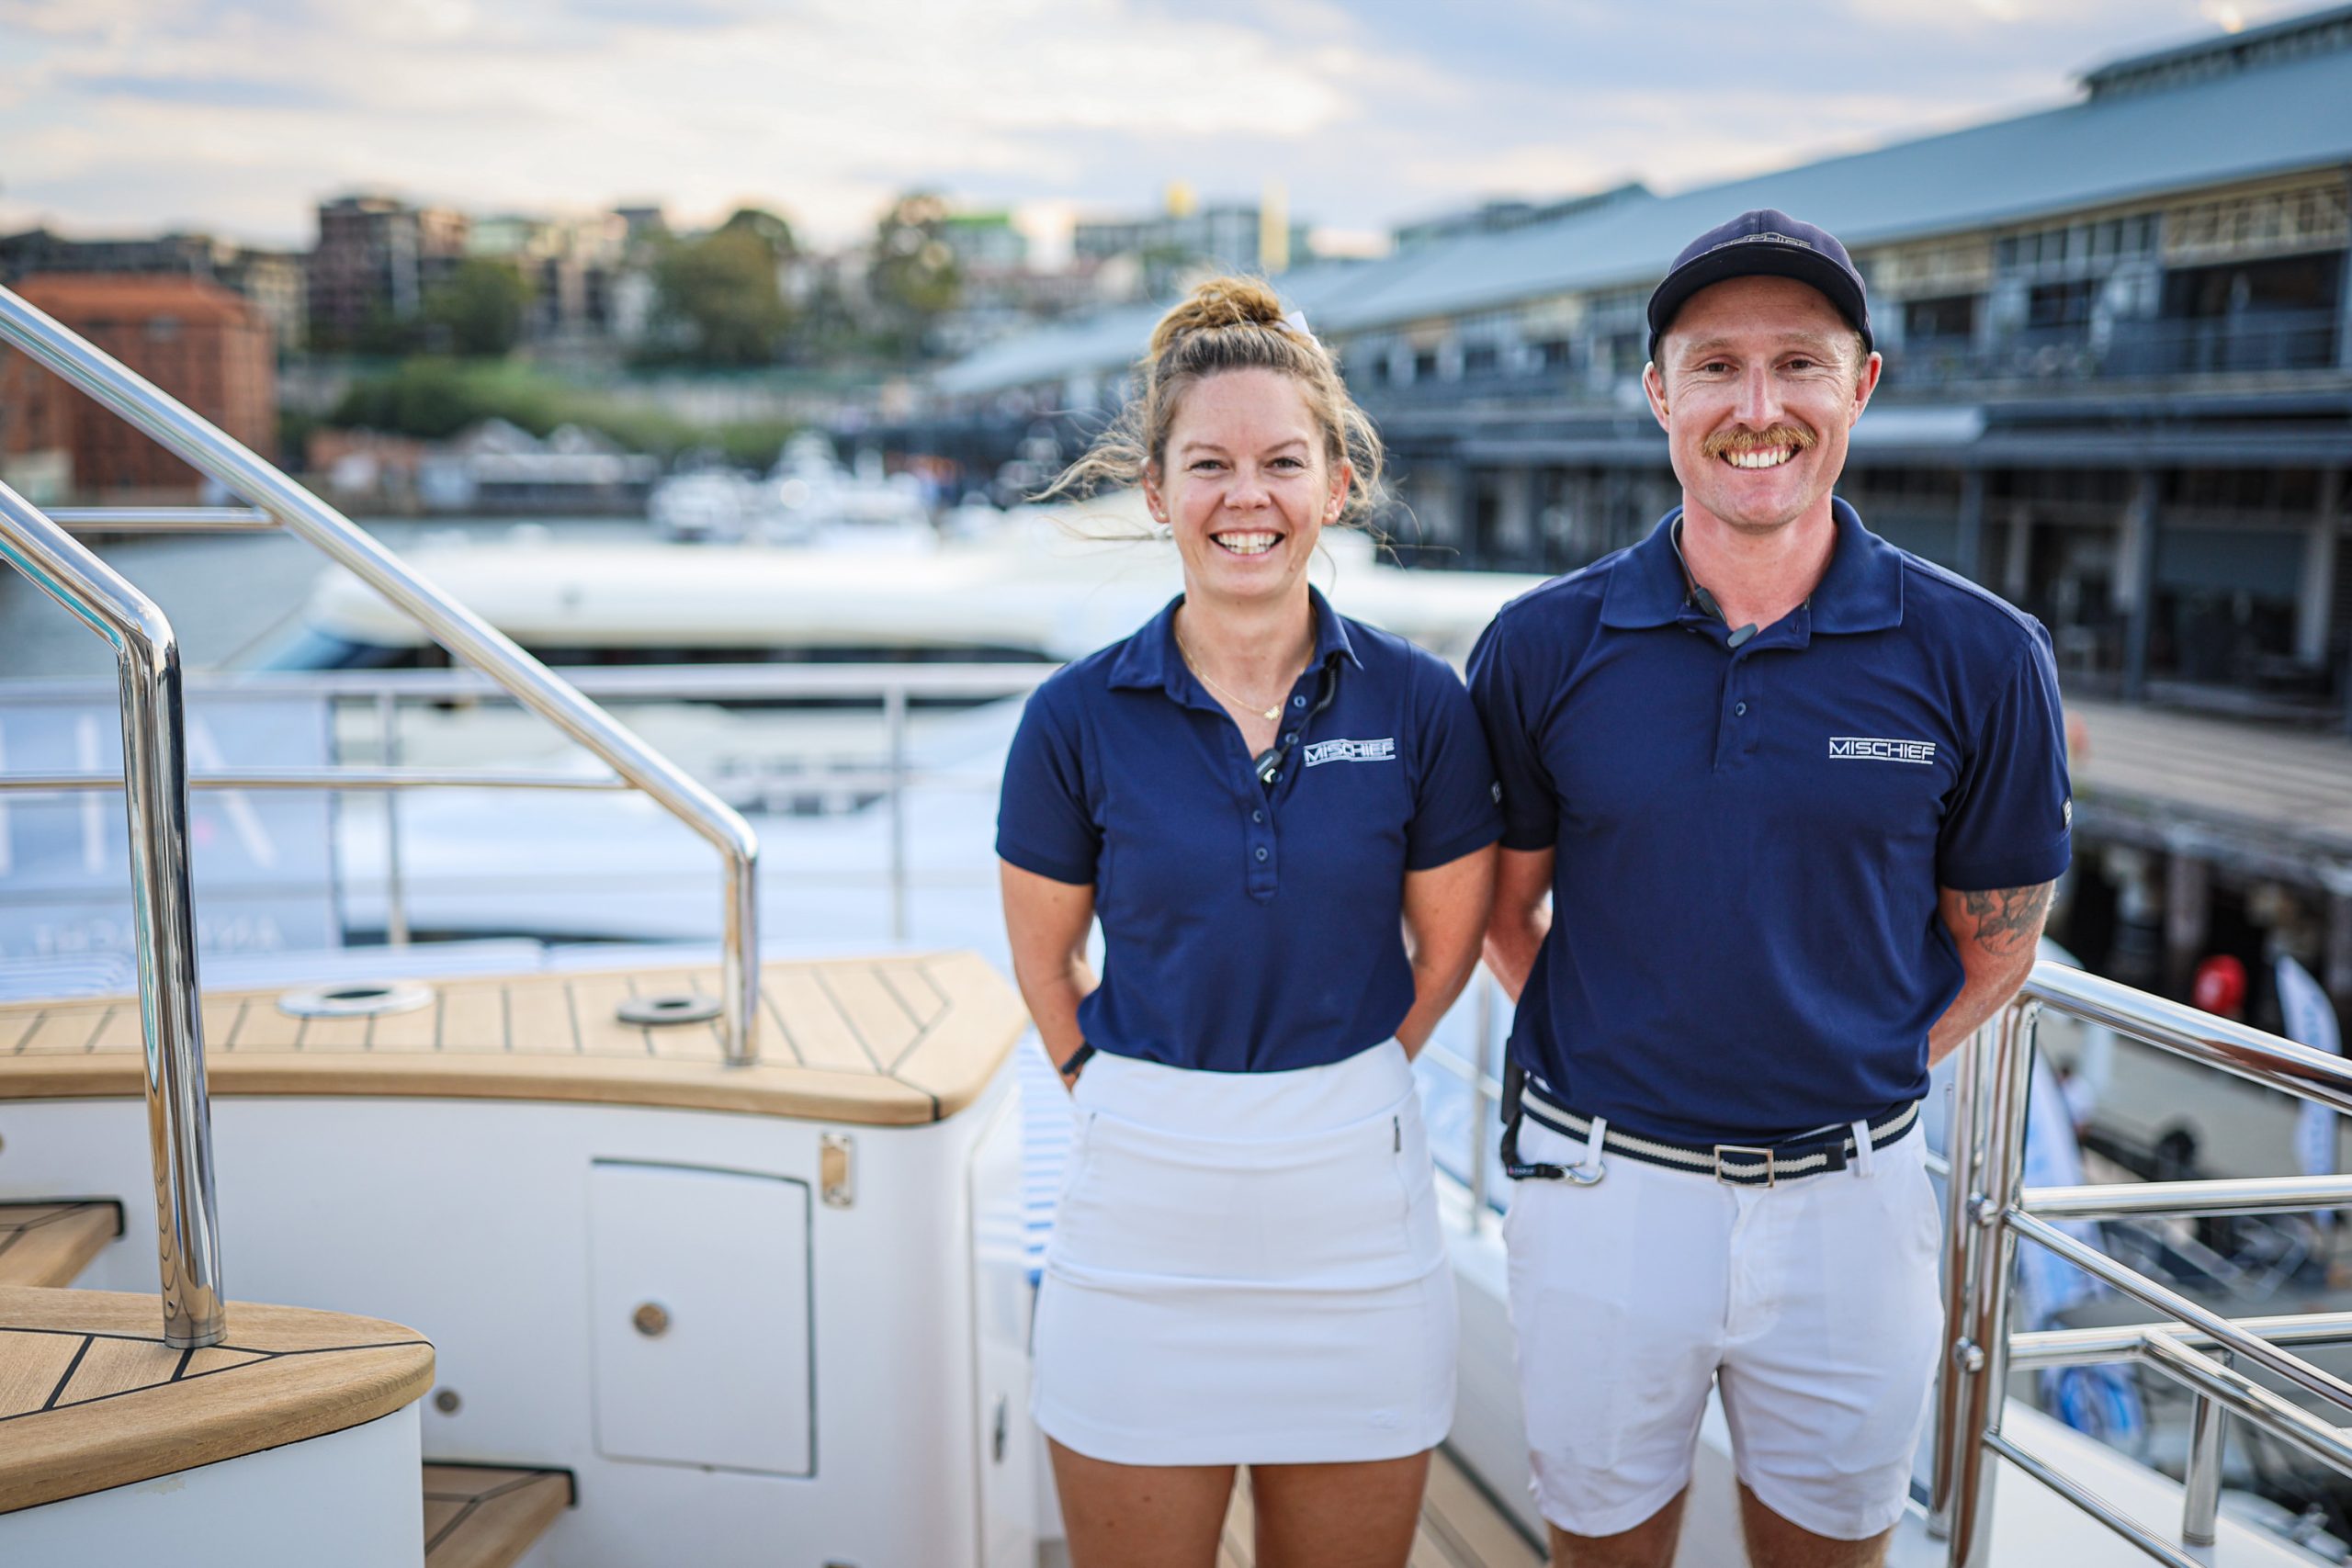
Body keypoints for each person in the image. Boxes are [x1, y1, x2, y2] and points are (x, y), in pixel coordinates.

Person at [1468, 209, 2072, 1568]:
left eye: (1799, 363)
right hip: (1605, 1193)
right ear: (1658, 395)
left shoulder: (1985, 657)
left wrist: (1838, 1067)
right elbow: (1503, 913)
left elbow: (1999, 948)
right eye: (1716, 367)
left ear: (1861, 385)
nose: (1758, 408)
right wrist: (1635, 1059)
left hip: (1853, 1206)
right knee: (1600, 1551)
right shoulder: (1541, 645)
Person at [996, 276, 1502, 1568]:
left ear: (1337, 483)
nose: (1247, 497)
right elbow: (1044, 960)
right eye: (1209, 465)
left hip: (1357, 1216)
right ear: (1154, 490)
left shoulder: (1422, 705)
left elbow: (1448, 946)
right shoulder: (1073, 719)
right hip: (1138, 1216)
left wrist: (1355, 1080)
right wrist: (1108, 1086)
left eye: (1282, 462)